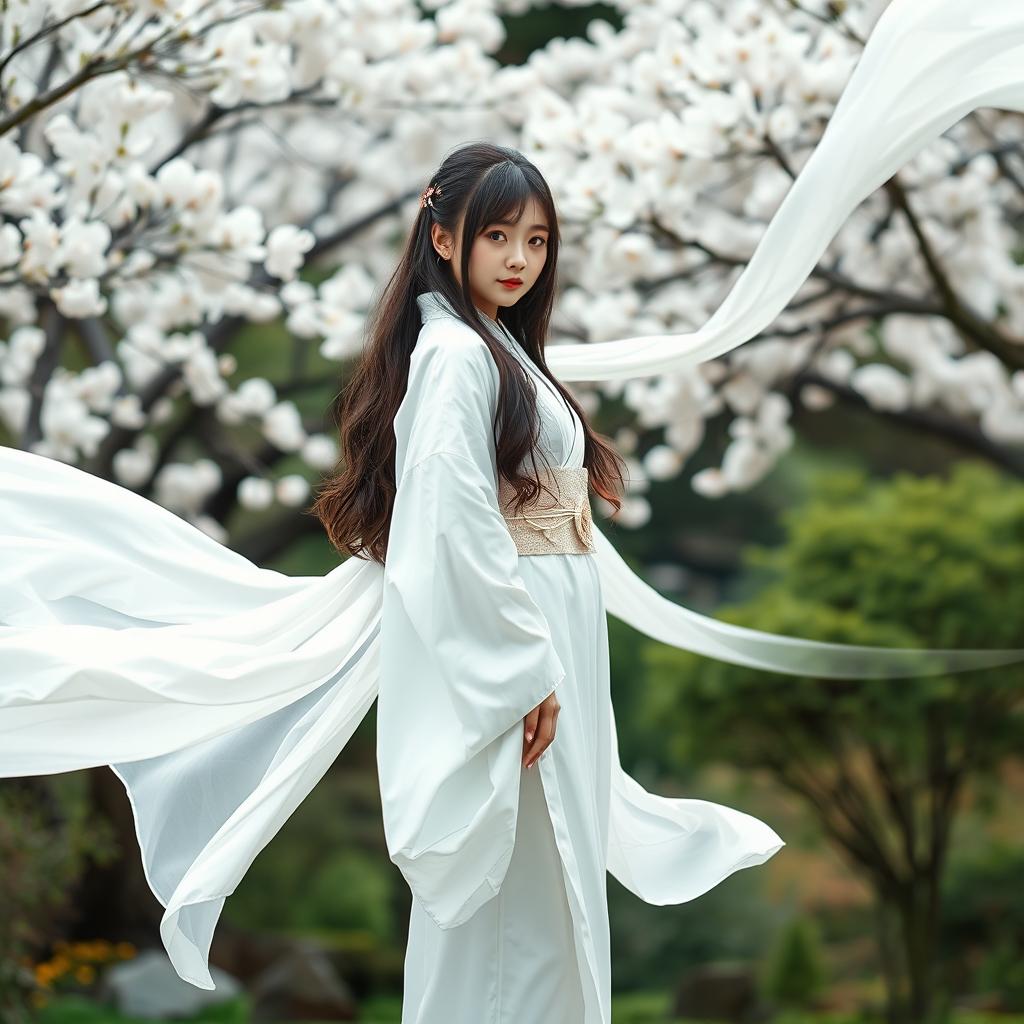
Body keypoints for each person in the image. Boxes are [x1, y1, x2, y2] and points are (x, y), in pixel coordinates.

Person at [4, 3, 1024, 1010]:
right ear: (440, 233)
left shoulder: (498, 352)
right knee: (518, 898)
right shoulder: (452, 356)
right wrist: (517, 669)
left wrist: (546, 653)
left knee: (550, 887)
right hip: (514, 649)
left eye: (535, 240)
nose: (518, 259)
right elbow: (449, 523)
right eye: (496, 234)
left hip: (550, 632)